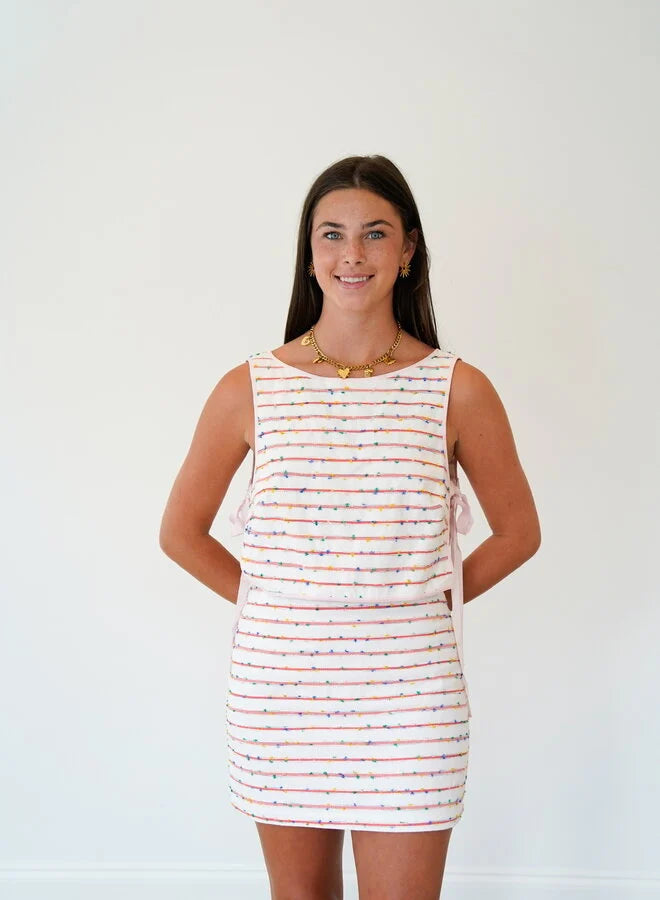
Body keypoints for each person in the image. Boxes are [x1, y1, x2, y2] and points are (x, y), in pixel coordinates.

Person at [159, 154, 541, 899]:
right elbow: (181, 532)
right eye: (331, 234)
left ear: (408, 249)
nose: (352, 254)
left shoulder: (457, 388)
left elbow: (518, 533)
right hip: (281, 693)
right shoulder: (250, 387)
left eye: (375, 233)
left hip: (412, 695)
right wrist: (277, 604)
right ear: (309, 255)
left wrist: (430, 597)